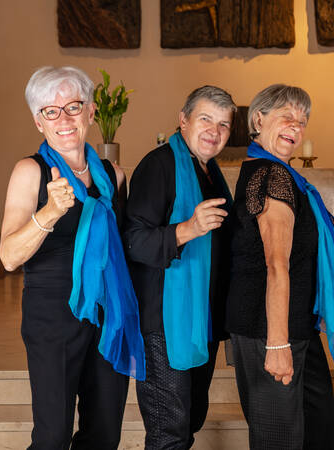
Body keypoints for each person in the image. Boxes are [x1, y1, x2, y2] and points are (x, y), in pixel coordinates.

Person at [0, 66, 145, 450]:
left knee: (103, 434)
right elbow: (9, 257)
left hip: (107, 313)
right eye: (50, 110)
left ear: (91, 112)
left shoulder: (114, 176)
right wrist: (48, 213)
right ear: (38, 121)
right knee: (52, 436)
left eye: (73, 106)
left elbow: (129, 249)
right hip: (52, 315)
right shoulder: (30, 171)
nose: (64, 118)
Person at [226, 84, 334, 450]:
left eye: (303, 120)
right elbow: (276, 265)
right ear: (258, 119)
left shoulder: (288, 178)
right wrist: (277, 344)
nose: (296, 126)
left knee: (318, 431)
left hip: (297, 325)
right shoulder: (271, 177)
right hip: (269, 329)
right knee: (280, 440)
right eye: (286, 116)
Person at [123, 85, 236, 449]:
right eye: (205, 119)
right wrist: (189, 228)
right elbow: (134, 241)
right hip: (164, 323)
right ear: (183, 120)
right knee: (168, 431)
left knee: (187, 422)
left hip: (198, 319)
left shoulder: (208, 171)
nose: (214, 131)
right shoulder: (159, 166)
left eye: (223, 125)